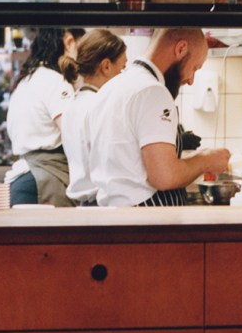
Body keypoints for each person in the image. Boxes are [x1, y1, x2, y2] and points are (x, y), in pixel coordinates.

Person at [86, 28, 230, 207]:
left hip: (113, 216)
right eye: (195, 68)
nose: (191, 80)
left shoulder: (111, 87)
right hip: (144, 223)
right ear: (181, 49)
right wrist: (206, 159)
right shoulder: (153, 91)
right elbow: (164, 177)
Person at [3, 28, 79, 207]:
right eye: (79, 47)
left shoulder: (27, 80)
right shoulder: (57, 81)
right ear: (68, 43)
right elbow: (73, 135)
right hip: (44, 181)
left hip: (22, 180)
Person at [61, 29, 128, 205]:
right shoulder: (100, 106)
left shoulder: (72, 103)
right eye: (122, 68)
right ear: (106, 66)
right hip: (101, 204)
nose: (123, 75)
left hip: (83, 204)